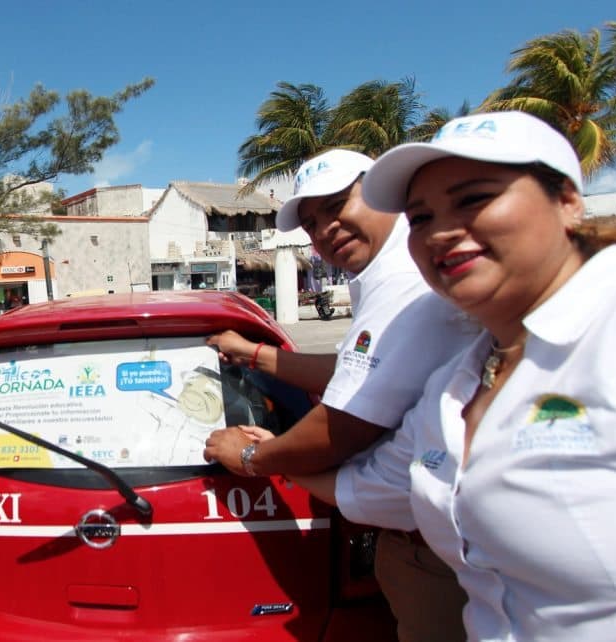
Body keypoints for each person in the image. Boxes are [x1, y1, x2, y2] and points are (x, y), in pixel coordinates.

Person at [291, 111, 616, 640]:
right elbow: (390, 482)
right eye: (420, 217)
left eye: (473, 199)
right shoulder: (460, 379)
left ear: (568, 201)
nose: (441, 232)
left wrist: (259, 457)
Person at [204, 149, 478, 642]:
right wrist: (253, 354)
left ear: (385, 195)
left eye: (337, 205)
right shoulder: (384, 274)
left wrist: (250, 455)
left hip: (436, 554)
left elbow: (341, 426)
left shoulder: (400, 279)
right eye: (311, 223)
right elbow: (360, 375)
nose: (325, 229)